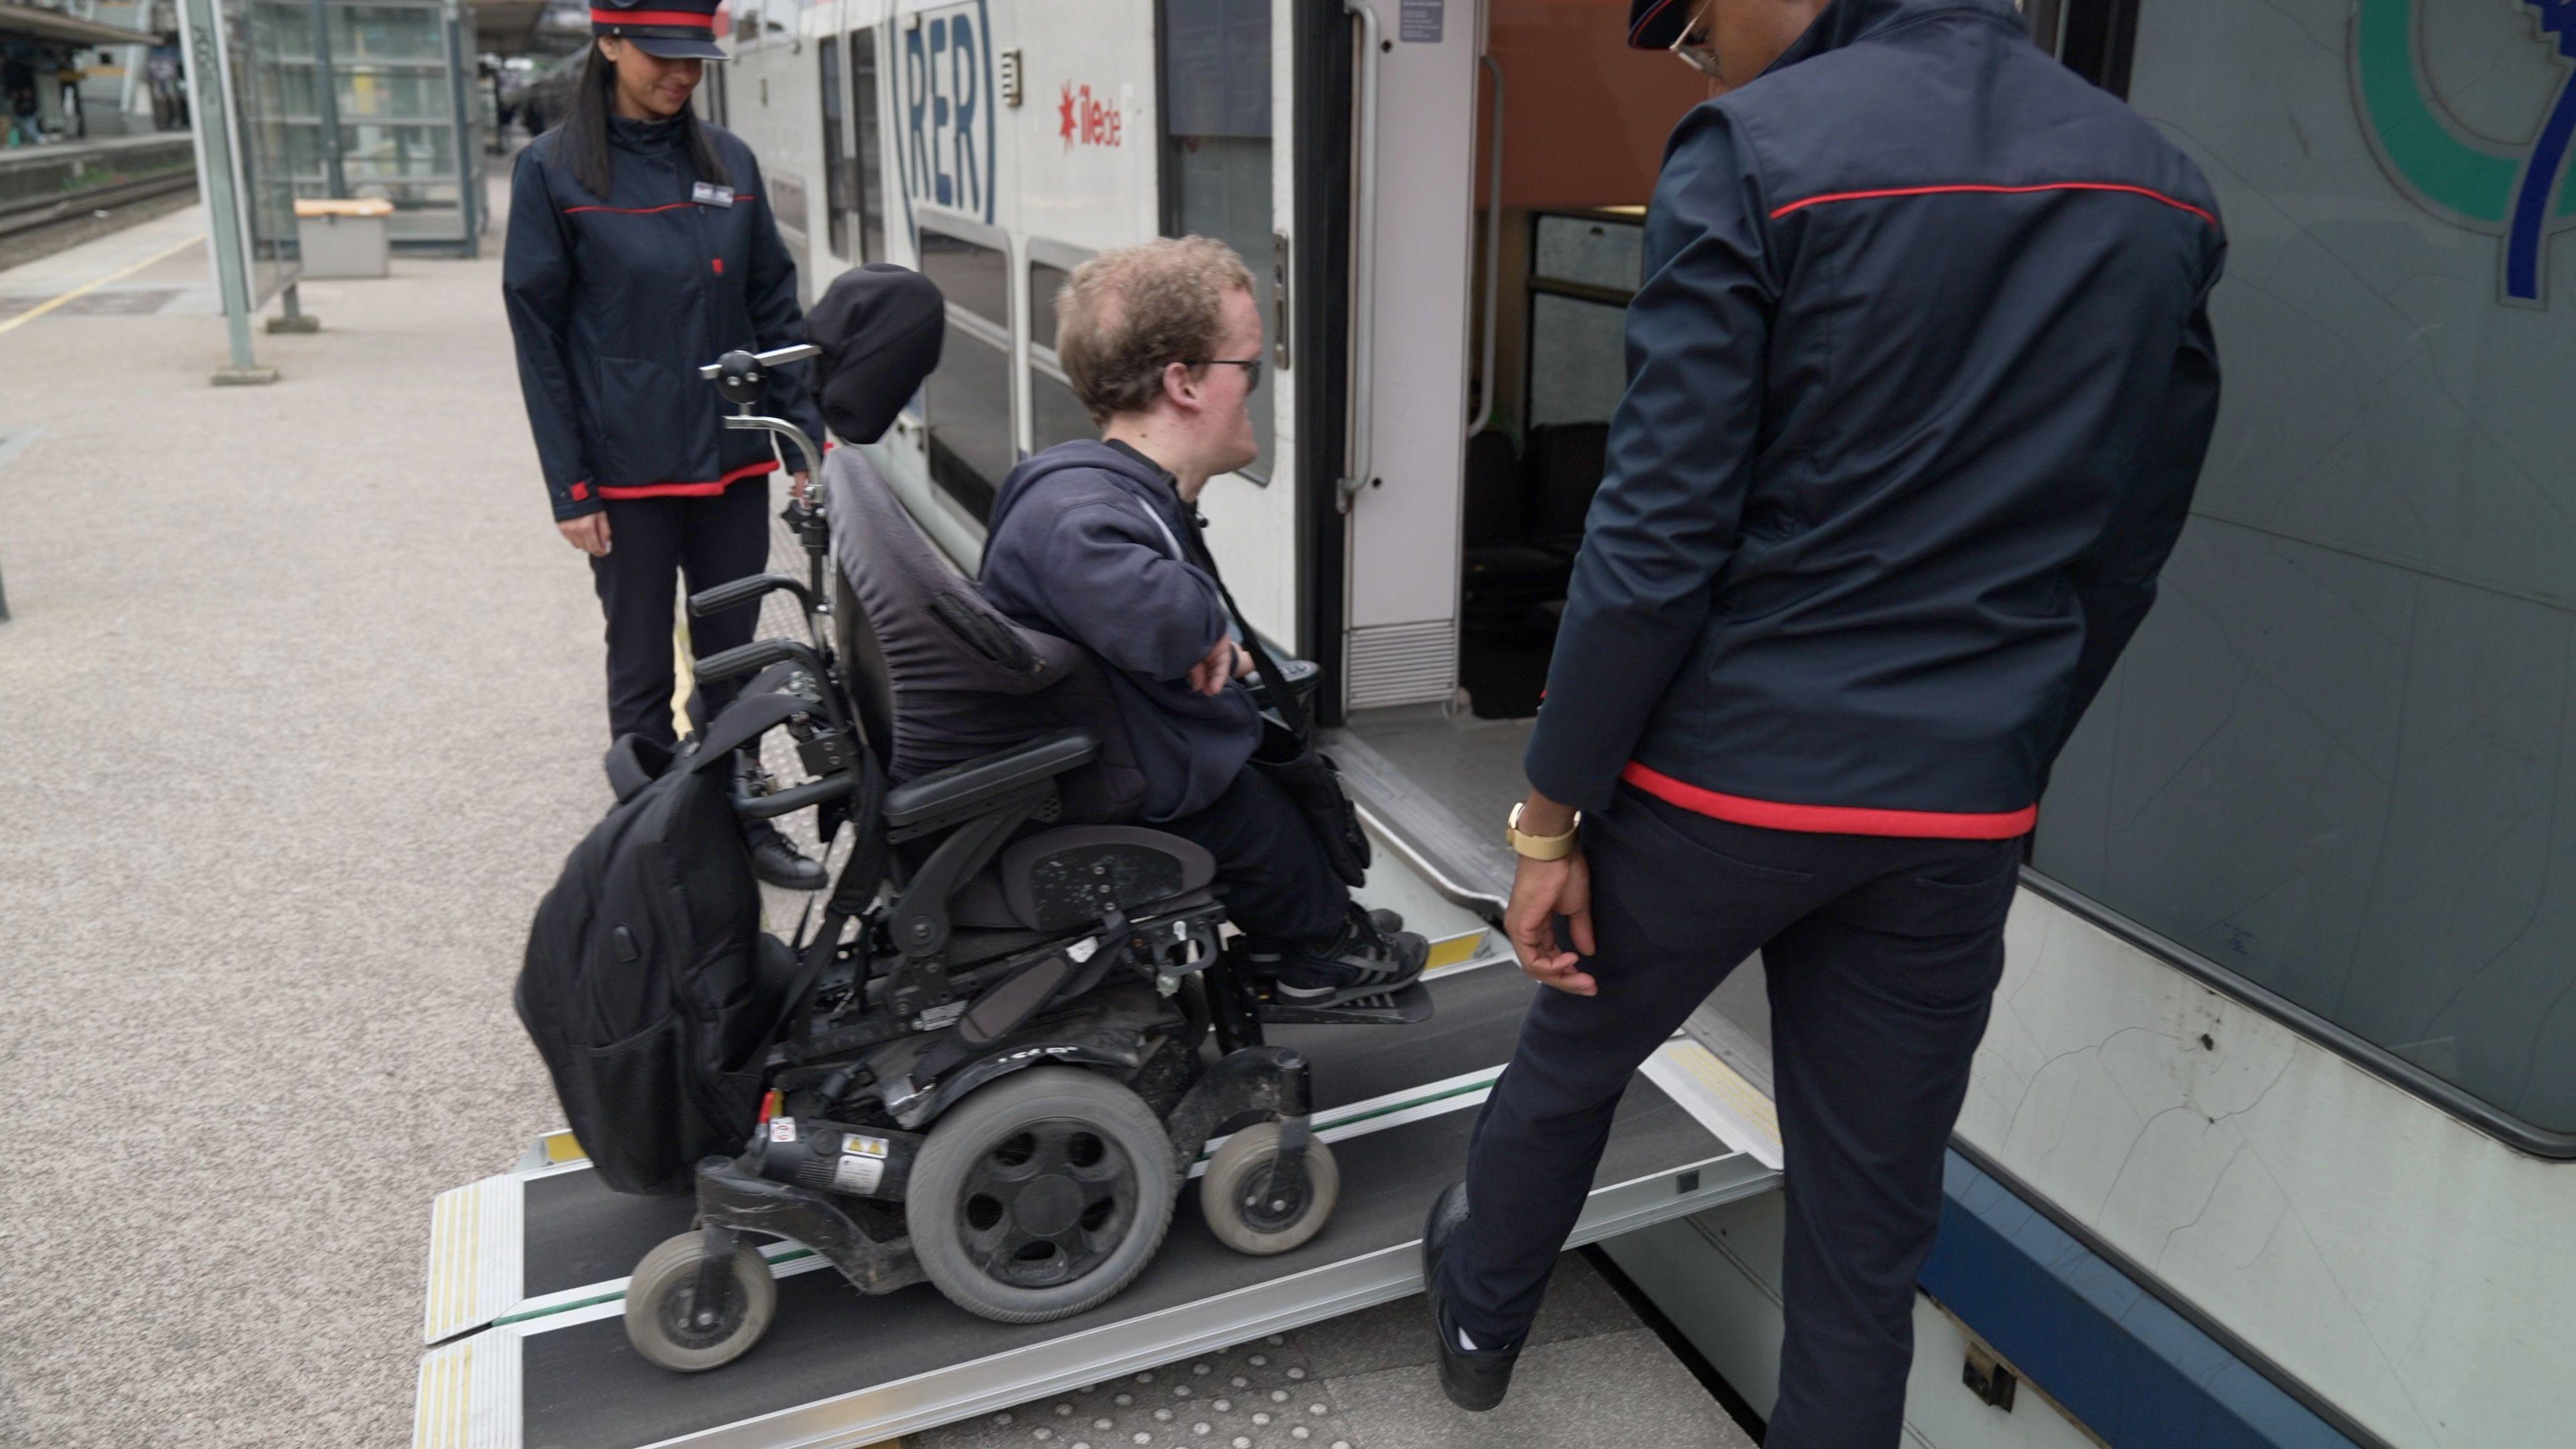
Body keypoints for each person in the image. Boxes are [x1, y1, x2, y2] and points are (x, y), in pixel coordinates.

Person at [1421, 0, 2225, 1441]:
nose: (1704, 59)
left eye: (1695, 28)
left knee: (1574, 1060)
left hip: (1728, 786)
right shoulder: (2157, 181)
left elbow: (1655, 540)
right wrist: (2008, 754)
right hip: (1956, 808)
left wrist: (1551, 810)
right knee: (1867, 1235)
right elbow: (2127, 553)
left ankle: (1481, 1322)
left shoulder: (1753, 149)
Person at [976, 237, 1430, 1004]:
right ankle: (1322, 955)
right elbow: (1166, 622)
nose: (1254, 387)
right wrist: (1207, 631)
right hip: (1122, 781)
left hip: (1117, 738)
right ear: (1182, 381)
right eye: (1246, 367)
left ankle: (1313, 926)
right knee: (1261, 823)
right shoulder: (1085, 517)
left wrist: (1219, 646)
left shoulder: (1085, 488)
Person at [501, 0, 827, 890]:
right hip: (626, 467)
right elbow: (540, 342)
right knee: (640, 657)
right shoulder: (553, 172)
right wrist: (571, 487)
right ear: (609, 43)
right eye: (661, 57)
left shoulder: (731, 163)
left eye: (694, 59)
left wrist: (804, 444)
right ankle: (646, 830)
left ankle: (740, 804)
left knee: (733, 649)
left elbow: (772, 304)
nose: (681, 75)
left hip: (729, 456)